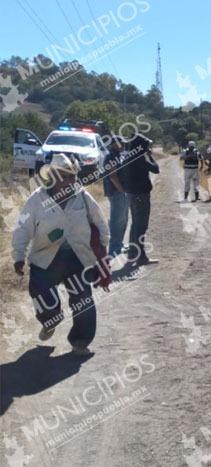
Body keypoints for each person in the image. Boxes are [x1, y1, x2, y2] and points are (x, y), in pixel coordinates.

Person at [11, 154, 109, 356]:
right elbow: (22, 229)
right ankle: (50, 321)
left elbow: (100, 223)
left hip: (76, 258)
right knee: (45, 302)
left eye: (72, 177)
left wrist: (102, 252)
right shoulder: (37, 199)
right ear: (53, 176)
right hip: (44, 259)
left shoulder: (82, 196)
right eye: (64, 176)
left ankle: (80, 342)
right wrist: (18, 257)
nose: (69, 181)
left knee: (83, 301)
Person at [122, 134, 159, 267]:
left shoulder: (128, 156)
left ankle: (132, 254)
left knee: (135, 225)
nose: (148, 147)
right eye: (146, 145)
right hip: (141, 195)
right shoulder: (140, 158)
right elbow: (156, 169)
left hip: (132, 194)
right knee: (141, 227)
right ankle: (141, 256)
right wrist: (149, 156)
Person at [102, 136, 128, 257]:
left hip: (120, 191)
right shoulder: (111, 156)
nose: (122, 145)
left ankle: (119, 244)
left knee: (123, 219)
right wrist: (122, 190)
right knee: (117, 220)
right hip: (116, 192)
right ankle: (114, 247)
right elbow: (113, 176)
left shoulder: (118, 155)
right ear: (114, 144)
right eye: (120, 143)